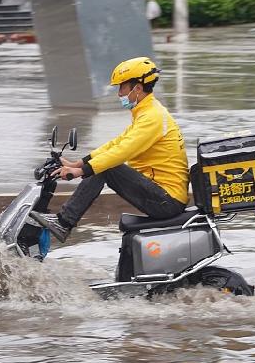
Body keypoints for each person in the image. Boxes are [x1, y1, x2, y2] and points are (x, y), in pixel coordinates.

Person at [30, 57, 189, 242]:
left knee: (108, 167)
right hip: (160, 193)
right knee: (104, 165)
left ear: (137, 88)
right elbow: (116, 143)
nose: (119, 93)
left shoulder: (152, 117)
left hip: (166, 200)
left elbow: (122, 152)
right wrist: (79, 162)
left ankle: (64, 222)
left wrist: (81, 171)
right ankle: (64, 221)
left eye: (122, 87)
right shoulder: (147, 111)